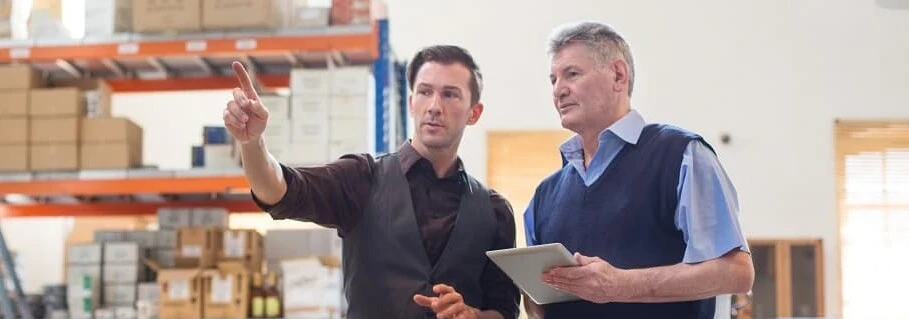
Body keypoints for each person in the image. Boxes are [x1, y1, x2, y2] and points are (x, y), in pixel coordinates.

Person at [222, 45, 520, 319]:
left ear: (474, 113)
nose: (434, 106)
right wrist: (252, 144)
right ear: (412, 101)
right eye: (425, 92)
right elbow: (281, 189)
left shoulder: (494, 212)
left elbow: (505, 310)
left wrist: (473, 315)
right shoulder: (361, 178)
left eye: (450, 94)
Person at [522, 21, 755, 319]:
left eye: (572, 74)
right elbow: (537, 304)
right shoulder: (545, 194)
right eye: (553, 79)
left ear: (619, 75)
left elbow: (735, 272)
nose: (558, 90)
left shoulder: (680, 156)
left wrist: (619, 285)